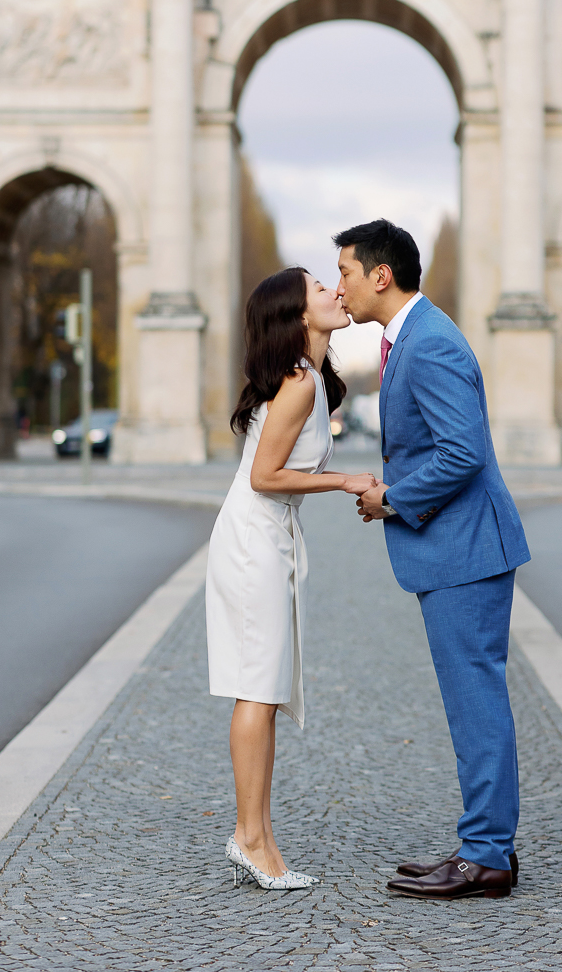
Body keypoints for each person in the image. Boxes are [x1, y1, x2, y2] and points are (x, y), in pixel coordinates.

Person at [334, 219, 530, 901]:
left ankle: (485, 858)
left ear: (380, 275)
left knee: (475, 701)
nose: (340, 287)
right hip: (460, 547)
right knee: (472, 698)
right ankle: (487, 843)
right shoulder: (415, 337)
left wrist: (391, 498)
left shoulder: (429, 345)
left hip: (465, 549)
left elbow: (461, 453)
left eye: (346, 273)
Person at [205, 266, 377, 891]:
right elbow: (264, 476)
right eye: (319, 289)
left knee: (265, 690)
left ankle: (257, 834)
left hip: (265, 536)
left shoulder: (313, 382)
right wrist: (345, 480)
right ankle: (250, 838)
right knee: (258, 688)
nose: (335, 291)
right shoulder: (300, 385)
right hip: (254, 538)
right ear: (298, 315)